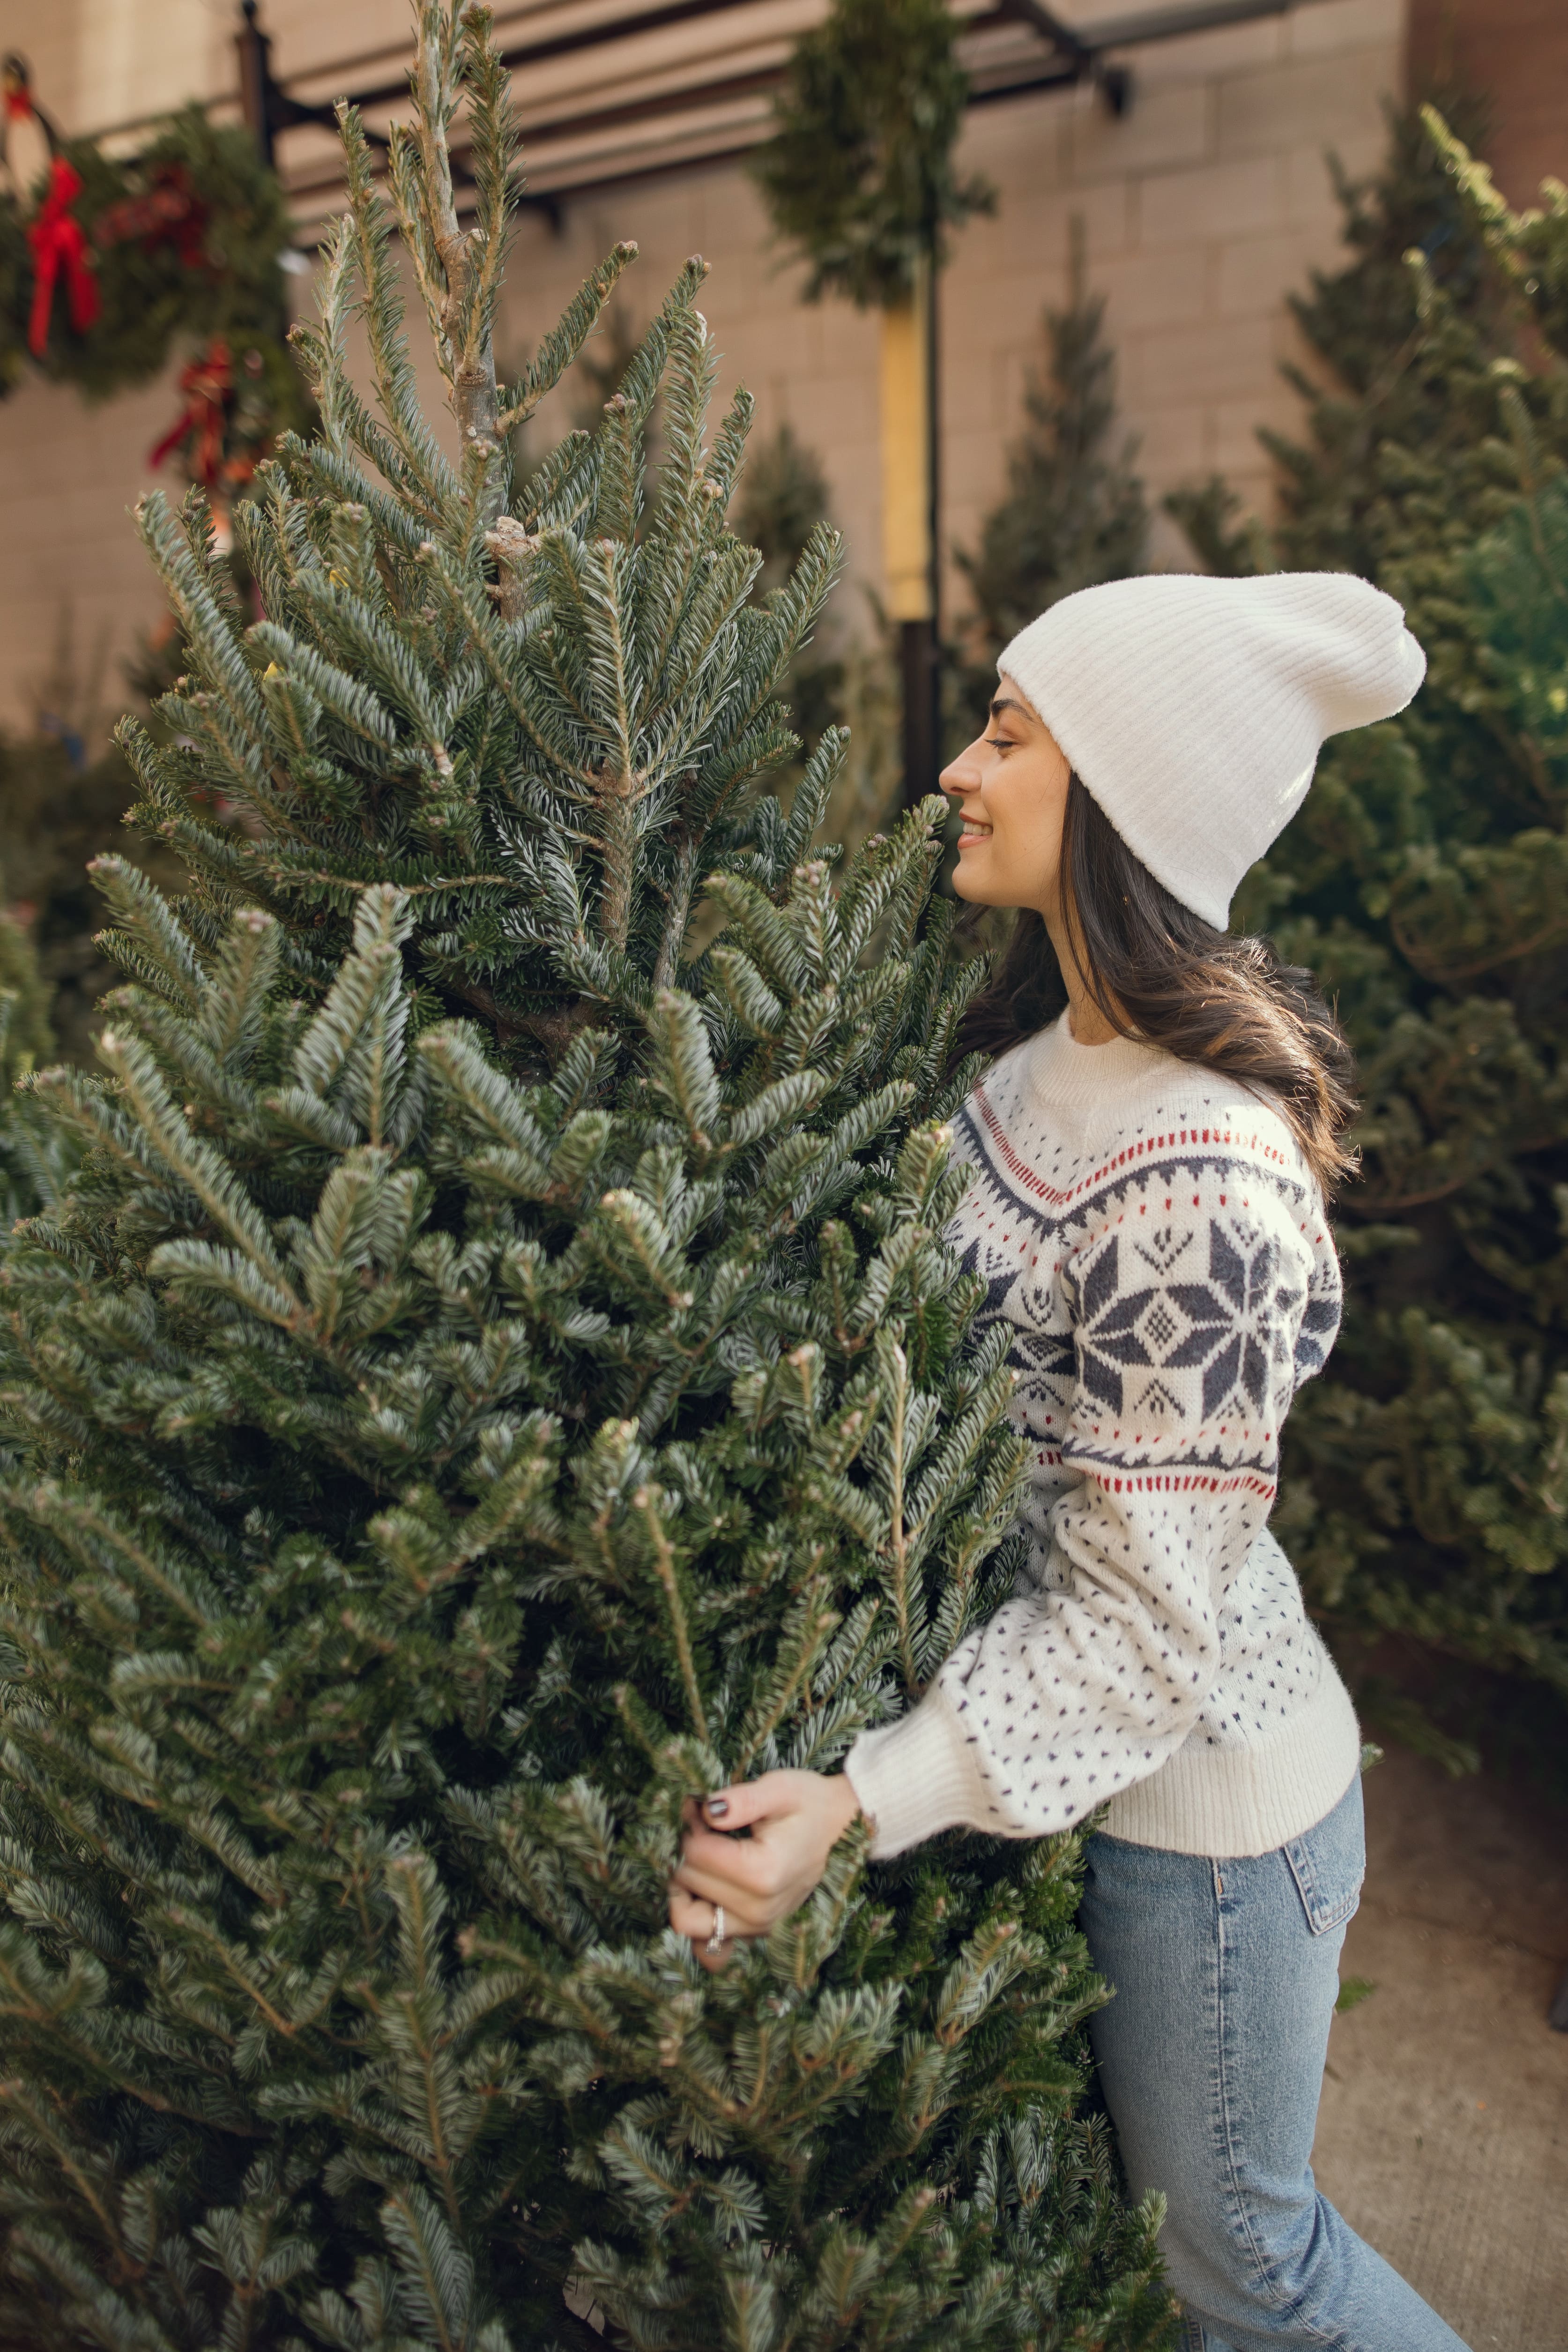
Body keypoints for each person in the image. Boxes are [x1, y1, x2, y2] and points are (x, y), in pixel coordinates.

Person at [667, 571, 1473, 2352]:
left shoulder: (1201, 1175)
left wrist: (861, 1799)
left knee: (1244, 2269)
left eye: (1009, 734)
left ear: (1119, 790)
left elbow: (1134, 1631)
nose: (954, 767)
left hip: (1203, 1822)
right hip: (1069, 1783)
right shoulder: (1031, 1067)